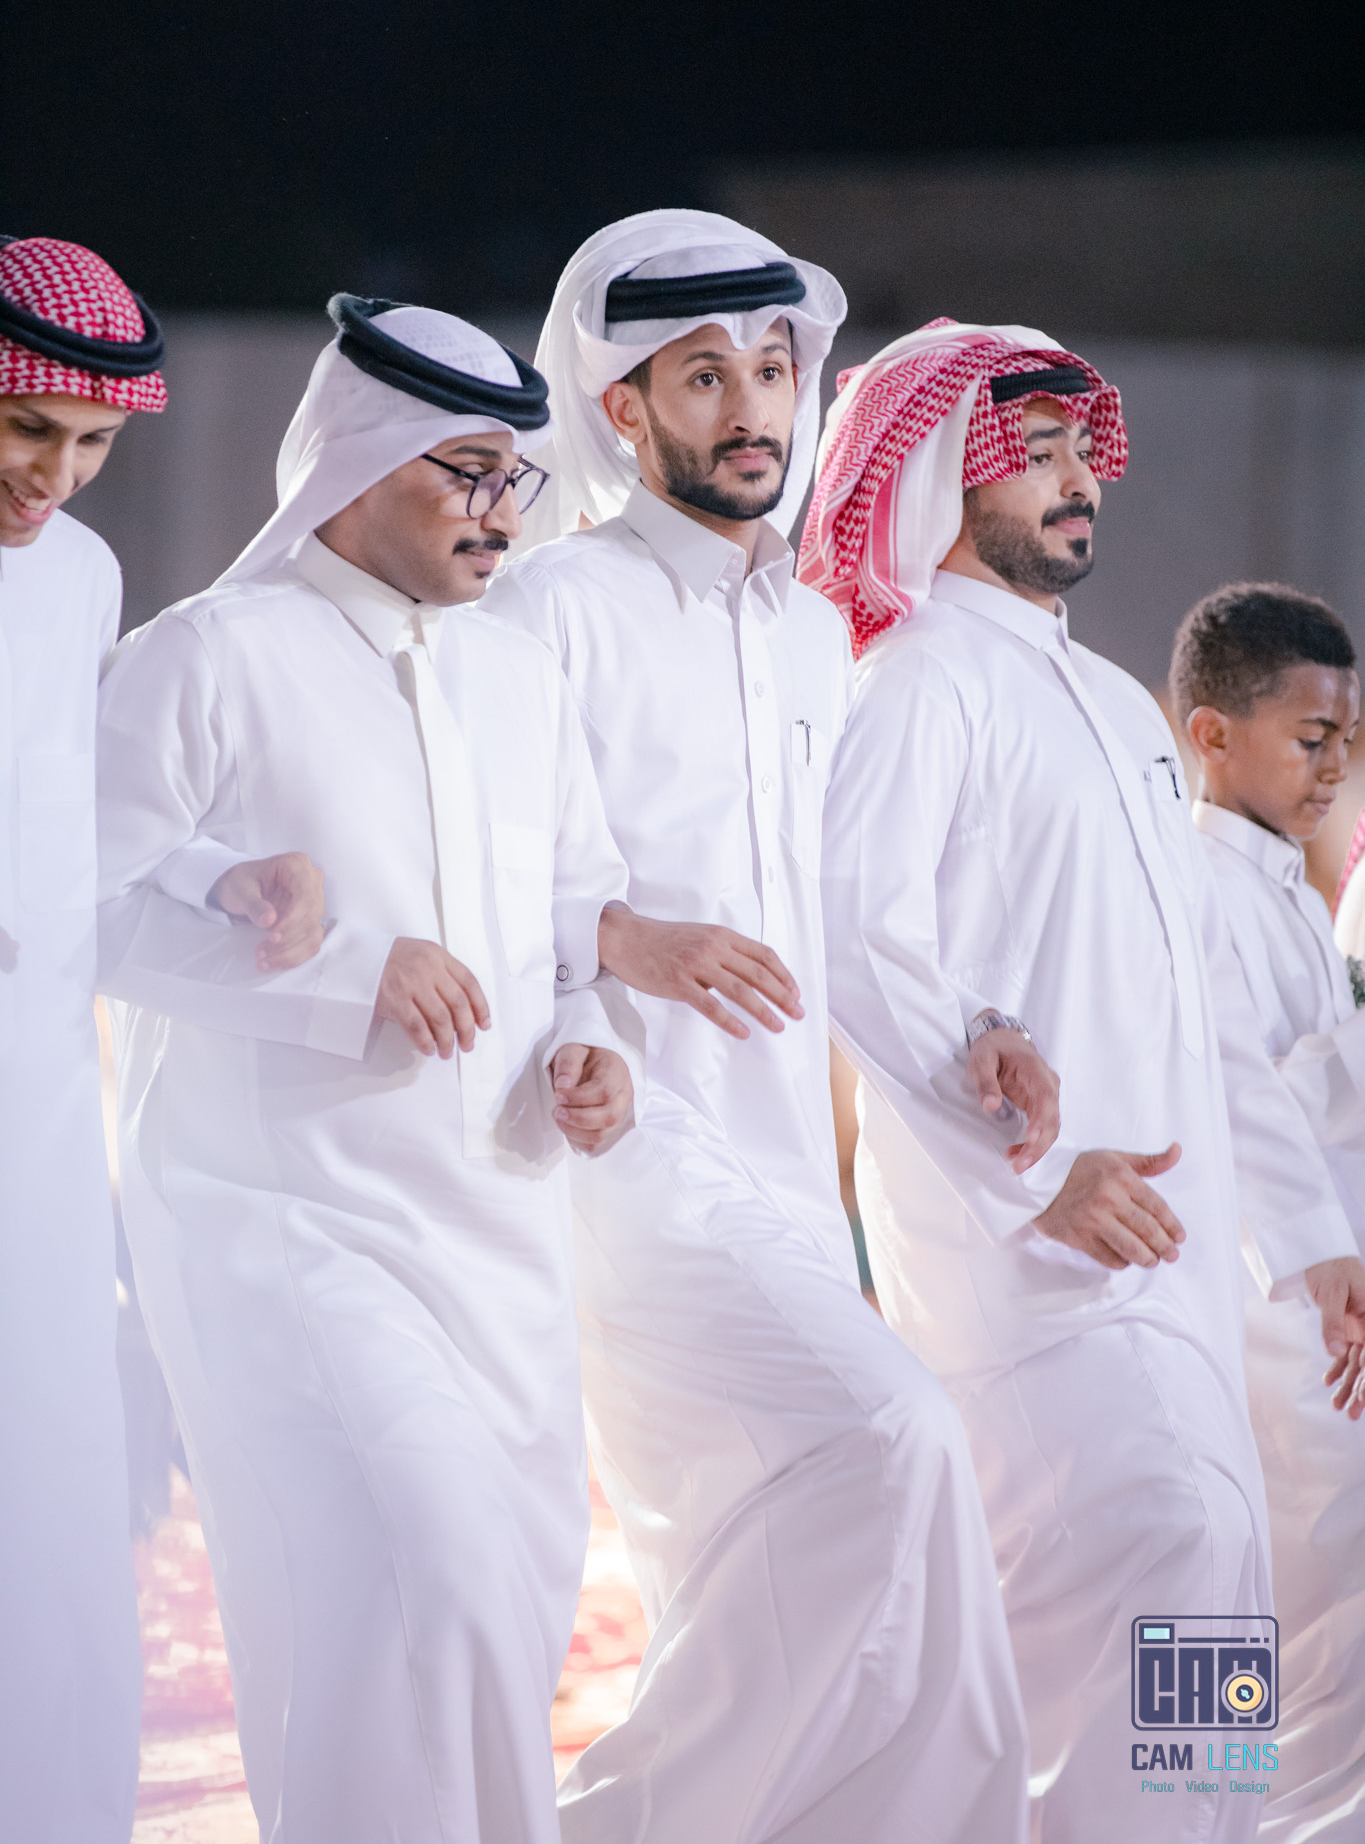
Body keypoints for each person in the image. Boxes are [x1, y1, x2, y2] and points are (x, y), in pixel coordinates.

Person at [483, 213, 1042, 1844]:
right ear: (623, 407)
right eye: (704, 376)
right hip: (623, 1142)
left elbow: (857, 896)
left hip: (793, 1159)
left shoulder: (813, 630)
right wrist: (612, 952)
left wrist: (975, 1022)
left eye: (775, 371)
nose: (751, 409)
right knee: (894, 1437)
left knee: (782, 1554)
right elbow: (471, 857)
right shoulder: (551, 605)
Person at [803, 318, 1365, 1843]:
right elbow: (852, 931)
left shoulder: (1115, 705)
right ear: (943, 472)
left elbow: (1195, 1022)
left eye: (1080, 453)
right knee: (1153, 1568)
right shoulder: (915, 681)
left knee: (1217, 1584)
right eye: (1033, 453)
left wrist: (1297, 1247)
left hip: (1170, 1263)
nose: (1076, 483)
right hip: (1032, 1266)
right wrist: (1042, 1178)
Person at [96, 296, 641, 1844]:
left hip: (502, 1229)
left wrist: (593, 1045)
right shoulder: (206, 655)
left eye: (513, 478)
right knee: (423, 1577)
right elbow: (84, 908)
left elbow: (576, 922)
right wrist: (348, 971)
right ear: (354, 459)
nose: (499, 509)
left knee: (500, 1612)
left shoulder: (520, 679)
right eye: (463, 472)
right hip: (289, 1220)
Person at [0, 234, 321, 1842]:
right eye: (26, 430)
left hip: (35, 1097)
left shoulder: (77, 579)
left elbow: (76, 808)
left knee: (50, 1477)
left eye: (89, 444)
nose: (56, 476)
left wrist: (215, 870)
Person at [1175, 581, 1365, 1841]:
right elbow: (1234, 1093)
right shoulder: (1194, 886)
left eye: (1346, 739)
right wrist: (1323, 1255)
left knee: (1329, 1573)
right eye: (1309, 738)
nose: (1334, 766)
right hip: (1264, 1290)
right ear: (1213, 734)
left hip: (1319, 1289)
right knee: (1256, 1568)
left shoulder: (1291, 890)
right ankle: (1213, 1810)